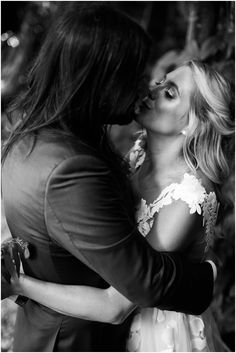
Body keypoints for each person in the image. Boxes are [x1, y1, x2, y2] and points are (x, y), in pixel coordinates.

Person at [2, 3, 216, 352]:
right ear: (101, 79)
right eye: (135, 75)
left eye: (167, 89)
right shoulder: (71, 167)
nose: (144, 87)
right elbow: (138, 284)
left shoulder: (35, 138)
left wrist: (21, 280)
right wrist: (208, 276)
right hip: (75, 340)